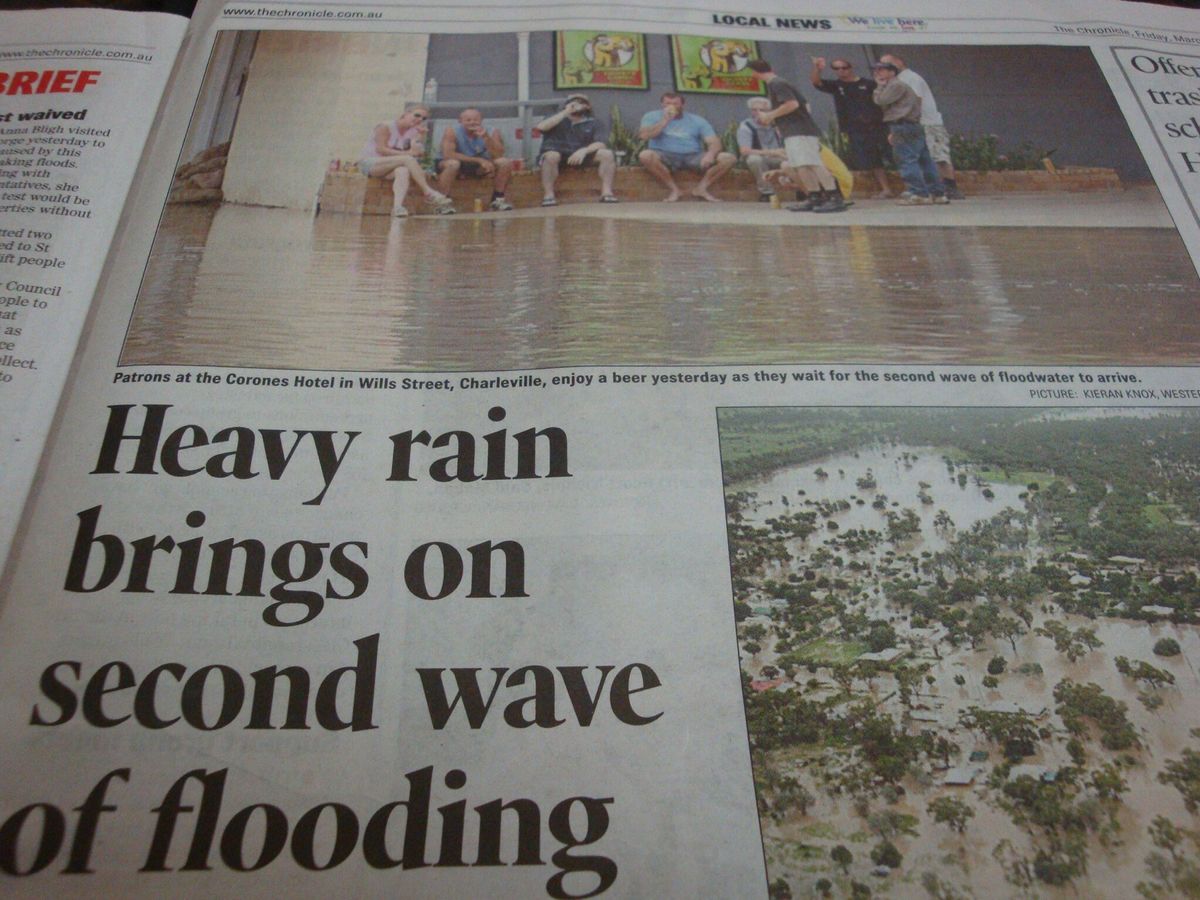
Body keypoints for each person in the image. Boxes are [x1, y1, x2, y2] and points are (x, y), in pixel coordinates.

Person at [745, 59, 845, 213]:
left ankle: (834, 196)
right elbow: (804, 105)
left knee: (813, 163)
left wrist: (770, 115)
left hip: (800, 130)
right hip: (792, 131)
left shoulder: (777, 83)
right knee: (801, 165)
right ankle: (814, 196)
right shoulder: (776, 84)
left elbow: (792, 104)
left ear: (755, 71)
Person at [880, 53, 963, 199]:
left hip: (927, 123)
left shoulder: (910, 78)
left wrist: (905, 124)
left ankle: (949, 187)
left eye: (888, 64)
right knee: (924, 157)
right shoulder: (899, 80)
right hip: (916, 123)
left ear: (899, 62)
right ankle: (935, 189)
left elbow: (915, 101)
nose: (884, 68)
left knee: (937, 155)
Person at [810, 57, 893, 198]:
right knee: (871, 160)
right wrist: (817, 68)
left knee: (891, 154)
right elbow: (816, 82)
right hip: (855, 128)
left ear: (850, 68)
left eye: (844, 67)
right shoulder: (837, 86)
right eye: (836, 68)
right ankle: (885, 189)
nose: (841, 71)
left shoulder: (868, 84)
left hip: (878, 125)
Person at [871, 60, 947, 205]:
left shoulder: (895, 85)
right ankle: (937, 193)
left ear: (892, 72)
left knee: (907, 160)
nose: (877, 73)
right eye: (876, 70)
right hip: (912, 125)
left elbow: (881, 100)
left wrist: (879, 86)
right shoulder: (900, 85)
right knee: (925, 159)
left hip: (902, 125)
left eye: (881, 70)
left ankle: (919, 193)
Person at [637, 92, 736, 202]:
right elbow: (644, 136)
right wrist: (665, 121)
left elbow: (714, 142)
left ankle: (701, 188)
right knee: (645, 155)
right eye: (667, 103)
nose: (671, 106)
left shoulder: (697, 120)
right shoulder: (651, 116)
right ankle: (675, 190)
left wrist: (710, 154)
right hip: (664, 154)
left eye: (675, 103)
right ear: (662, 104)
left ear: (682, 105)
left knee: (728, 158)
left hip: (693, 155)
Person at [359, 105, 455, 217]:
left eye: (423, 118)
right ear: (405, 114)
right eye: (417, 115)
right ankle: (428, 191)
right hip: (371, 163)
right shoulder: (385, 126)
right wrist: (407, 154)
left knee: (403, 170)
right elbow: (381, 149)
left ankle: (397, 207)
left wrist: (421, 136)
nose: (419, 119)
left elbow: (417, 152)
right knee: (407, 159)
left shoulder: (413, 131)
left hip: (392, 166)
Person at [534, 93, 618, 205]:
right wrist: (566, 112)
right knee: (551, 156)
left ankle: (607, 193)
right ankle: (548, 195)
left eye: (581, 102)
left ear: (587, 107)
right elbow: (541, 127)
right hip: (557, 154)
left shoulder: (594, 123)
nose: (576, 104)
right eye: (572, 102)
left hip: (581, 155)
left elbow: (601, 143)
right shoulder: (556, 118)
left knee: (607, 154)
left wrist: (584, 151)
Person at [436, 108, 515, 211]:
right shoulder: (452, 131)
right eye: (468, 120)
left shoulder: (492, 131)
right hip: (458, 162)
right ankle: (442, 202)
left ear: (481, 120)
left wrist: (486, 137)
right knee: (452, 164)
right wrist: (478, 160)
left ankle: (498, 199)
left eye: (475, 119)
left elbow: (498, 154)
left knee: (504, 162)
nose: (472, 122)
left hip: (481, 165)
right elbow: (448, 154)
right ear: (460, 121)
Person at [737, 97, 788, 201]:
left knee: (796, 158)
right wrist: (771, 152)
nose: (758, 113)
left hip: (778, 157)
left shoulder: (778, 124)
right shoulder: (746, 126)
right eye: (754, 110)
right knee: (754, 159)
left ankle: (801, 189)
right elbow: (744, 151)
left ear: (770, 111)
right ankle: (767, 192)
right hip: (761, 156)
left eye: (762, 110)